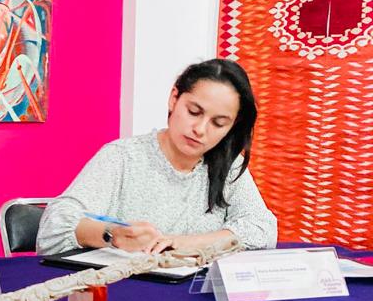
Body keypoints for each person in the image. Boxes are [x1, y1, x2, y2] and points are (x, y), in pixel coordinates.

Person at [37, 58, 277, 255]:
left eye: (219, 123)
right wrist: (111, 234)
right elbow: (52, 227)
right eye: (194, 112)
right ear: (174, 98)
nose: (200, 129)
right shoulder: (123, 157)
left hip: (196, 291)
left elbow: (262, 229)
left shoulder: (228, 165)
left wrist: (184, 243)